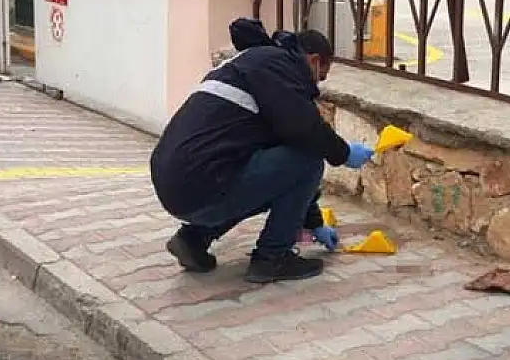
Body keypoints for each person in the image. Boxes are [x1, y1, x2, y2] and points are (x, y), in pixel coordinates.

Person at [149, 19, 374, 284]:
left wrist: (314, 224)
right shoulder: (278, 68)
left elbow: (281, 169)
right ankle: (272, 257)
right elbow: (306, 133)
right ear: (313, 60)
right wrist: (345, 154)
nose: (318, 84)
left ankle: (194, 239)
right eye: (321, 75)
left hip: (177, 183)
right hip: (202, 183)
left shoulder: (254, 64)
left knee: (257, 176)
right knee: (311, 159)